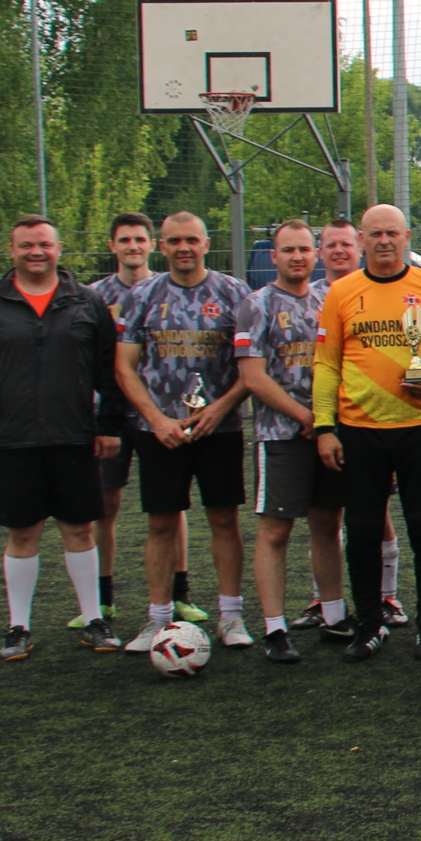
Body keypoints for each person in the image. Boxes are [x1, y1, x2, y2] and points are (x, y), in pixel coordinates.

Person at [0, 216, 125, 659]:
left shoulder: (86, 302)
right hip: (14, 440)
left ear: (59, 249)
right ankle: (18, 626)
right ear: (12, 250)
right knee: (22, 533)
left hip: (74, 438)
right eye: (27, 245)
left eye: (45, 244)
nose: (36, 252)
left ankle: (94, 620)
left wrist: (109, 425)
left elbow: (109, 371)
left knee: (80, 529)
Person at [312, 202, 421, 661]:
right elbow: (326, 363)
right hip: (359, 430)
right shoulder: (342, 292)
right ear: (361, 240)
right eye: (374, 233)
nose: (383, 241)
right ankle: (368, 625)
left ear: (406, 237)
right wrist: (324, 426)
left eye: (392, 233)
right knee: (361, 533)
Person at [113, 212, 254, 652]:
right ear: (162, 245)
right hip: (160, 430)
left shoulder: (234, 293)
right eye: (174, 241)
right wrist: (156, 419)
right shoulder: (142, 295)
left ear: (206, 243)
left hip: (220, 428)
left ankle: (231, 617)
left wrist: (221, 408)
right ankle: (157, 619)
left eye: (191, 239)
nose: (184, 248)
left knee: (224, 519)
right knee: (160, 523)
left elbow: (252, 367)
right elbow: (124, 366)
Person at [233, 219, 344, 664]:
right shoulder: (256, 304)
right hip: (281, 434)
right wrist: (306, 417)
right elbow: (253, 376)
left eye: (304, 249)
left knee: (327, 524)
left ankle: (334, 615)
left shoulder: (328, 300)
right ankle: (275, 628)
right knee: (276, 530)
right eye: (288, 250)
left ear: (315, 255)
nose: (297, 257)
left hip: (327, 433)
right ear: (273, 256)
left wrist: (326, 422)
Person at [83, 211, 187, 627]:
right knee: (105, 503)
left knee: (170, 505)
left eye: (139, 239)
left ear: (152, 245)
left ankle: (180, 594)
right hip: (110, 414)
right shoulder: (94, 296)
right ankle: (103, 599)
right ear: (112, 246)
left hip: (159, 414)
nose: (132, 246)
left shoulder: (166, 289)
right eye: (124, 240)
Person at [313, 216, 405, 630]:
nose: (339, 251)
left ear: (358, 247)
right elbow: (325, 363)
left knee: (376, 511)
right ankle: (325, 601)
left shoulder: (389, 290)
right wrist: (320, 422)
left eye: (345, 244)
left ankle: (388, 596)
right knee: (324, 517)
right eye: (331, 245)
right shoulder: (316, 296)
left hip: (374, 425)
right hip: (326, 424)